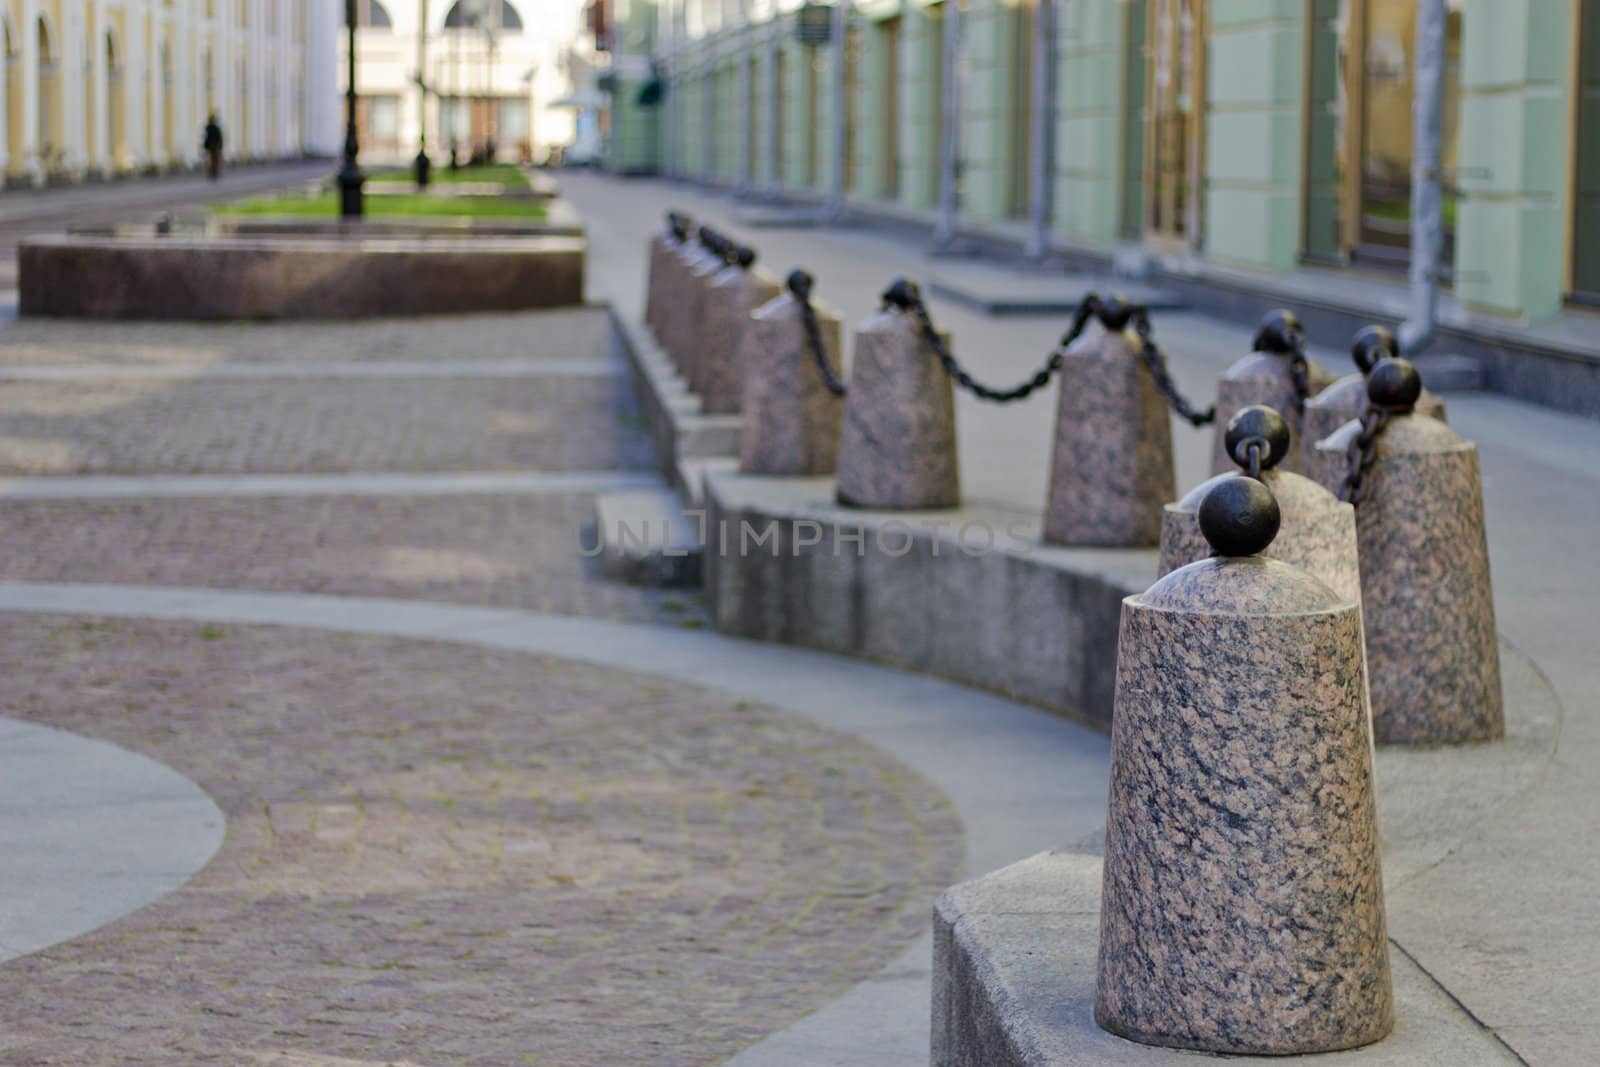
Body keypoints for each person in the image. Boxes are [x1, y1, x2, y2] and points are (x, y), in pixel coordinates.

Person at [203, 114, 224, 181]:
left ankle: (213, 172)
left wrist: (205, 146)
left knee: (212, 161)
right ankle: (213, 172)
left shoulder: (209, 128)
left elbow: (207, 138)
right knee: (213, 161)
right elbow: (219, 138)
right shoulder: (213, 128)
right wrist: (220, 146)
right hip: (213, 147)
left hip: (212, 147)